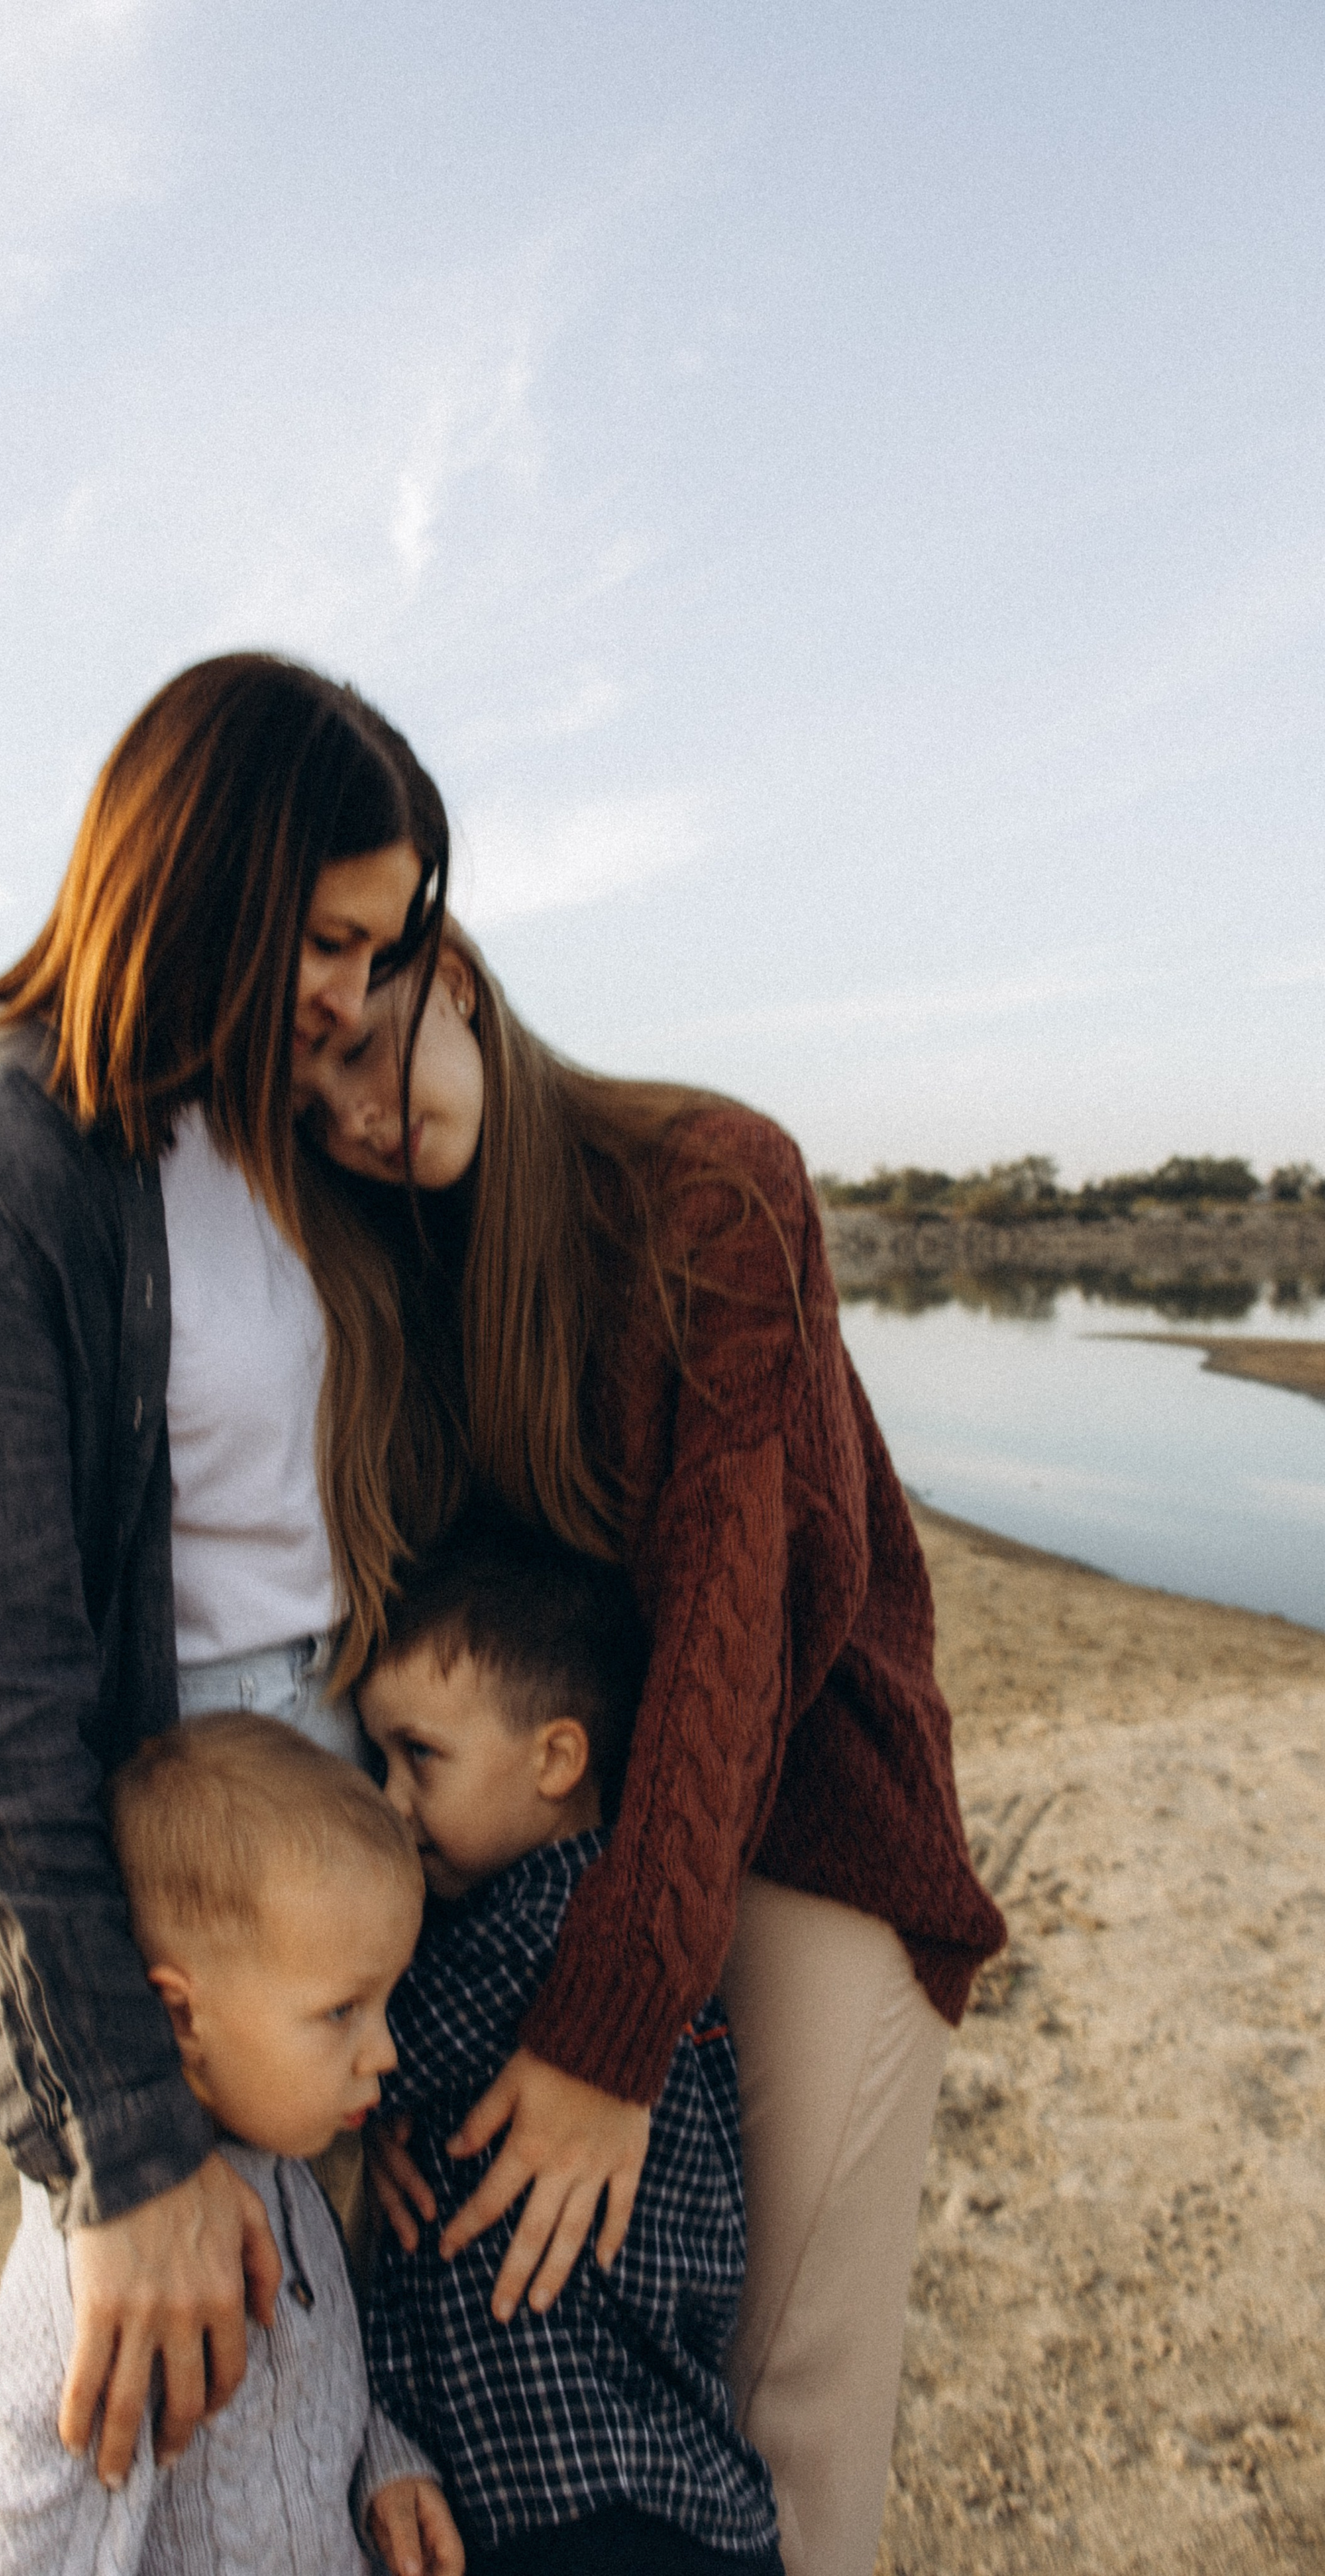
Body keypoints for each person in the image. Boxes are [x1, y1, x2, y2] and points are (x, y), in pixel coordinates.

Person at [293, 930, 1008, 2576]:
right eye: (312, 1107)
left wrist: (614, 2029)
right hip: (551, 1838)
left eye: (362, 1050)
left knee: (773, 2403)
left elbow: (730, 1638)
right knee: (547, 2332)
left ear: (448, 975)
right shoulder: (394, 1276)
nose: (357, 1119)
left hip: (808, 1812)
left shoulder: (714, 1184)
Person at [0, 653, 449, 2492]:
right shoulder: (4, 1164)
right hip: (178, 1863)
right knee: (140, 2415)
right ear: (208, 880)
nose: (352, 994)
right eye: (328, 941)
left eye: (385, 950)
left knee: (322, 2376)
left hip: (351, 1823)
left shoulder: (304, 1137)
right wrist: (117, 2136)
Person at [356, 1513, 784, 2576]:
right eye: (377, 1760)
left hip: (578, 2496)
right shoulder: (630, 1934)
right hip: (682, 2500)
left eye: (419, 1757)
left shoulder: (533, 1925)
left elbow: (344, 2059)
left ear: (556, 1759)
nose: (387, 1801)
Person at [0, 1713, 466, 2576]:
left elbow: (310, 2382)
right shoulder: (105, 2270)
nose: (384, 2051)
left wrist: (384, 2464)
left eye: (384, 2003)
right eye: (341, 2011)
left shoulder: (287, 2171)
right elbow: (18, 2510)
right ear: (184, 2016)